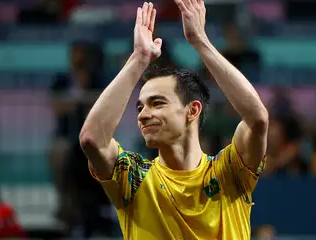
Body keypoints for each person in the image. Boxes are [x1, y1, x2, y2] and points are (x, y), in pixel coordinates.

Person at [79, 1, 268, 239]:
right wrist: (138, 59)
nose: (143, 114)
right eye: (140, 107)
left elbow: (257, 119)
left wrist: (201, 41)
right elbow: (91, 139)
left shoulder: (229, 173)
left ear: (192, 110)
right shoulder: (134, 178)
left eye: (157, 103)